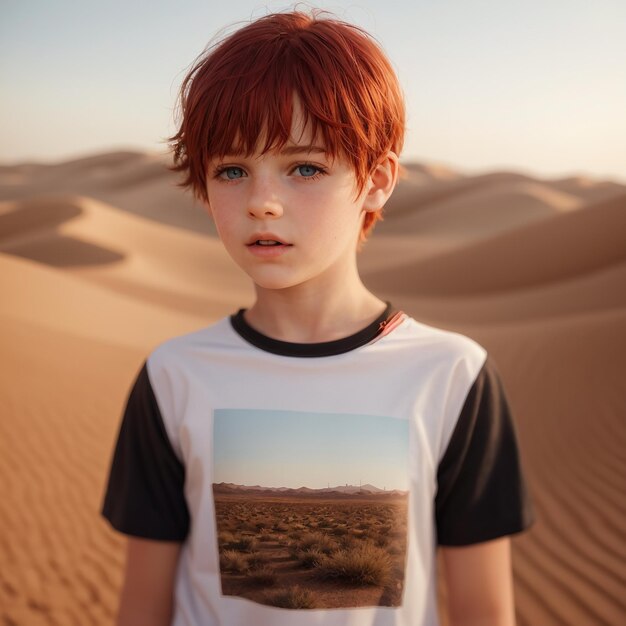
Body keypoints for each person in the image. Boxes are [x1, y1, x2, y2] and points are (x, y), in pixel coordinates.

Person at [101, 9, 535, 626]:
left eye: (305, 167)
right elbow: (140, 608)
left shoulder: (454, 376)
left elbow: (485, 612)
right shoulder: (173, 376)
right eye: (231, 170)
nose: (262, 203)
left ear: (377, 180)